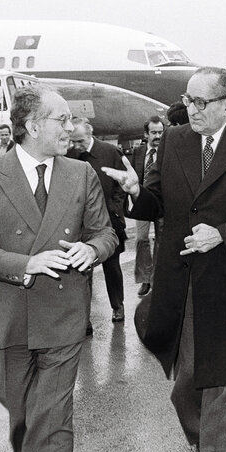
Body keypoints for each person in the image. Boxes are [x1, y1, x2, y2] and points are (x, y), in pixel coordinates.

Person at [102, 66, 226, 452]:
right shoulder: (174, 140)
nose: (191, 109)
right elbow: (156, 201)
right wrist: (134, 191)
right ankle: (206, 442)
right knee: (187, 384)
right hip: (181, 282)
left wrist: (222, 234)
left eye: (201, 102)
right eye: (188, 100)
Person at [0, 86, 117, 452]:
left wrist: (91, 249)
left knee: (54, 416)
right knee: (24, 417)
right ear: (30, 126)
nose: (72, 128)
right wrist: (26, 264)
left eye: (72, 120)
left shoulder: (81, 174)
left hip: (63, 316)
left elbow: (105, 233)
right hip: (13, 319)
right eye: (62, 120)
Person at [67, 117, 128, 327]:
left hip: (109, 222)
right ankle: (85, 318)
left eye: (80, 141)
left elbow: (122, 183)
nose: (77, 146)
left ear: (90, 134)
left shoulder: (110, 152)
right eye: (73, 141)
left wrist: (115, 208)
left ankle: (117, 306)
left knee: (112, 267)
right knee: (84, 270)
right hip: (81, 223)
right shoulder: (70, 155)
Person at [125, 116, 164, 296]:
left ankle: (157, 278)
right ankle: (144, 279)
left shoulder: (167, 151)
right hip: (142, 203)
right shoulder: (138, 152)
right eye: (154, 132)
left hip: (162, 204)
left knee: (161, 241)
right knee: (141, 240)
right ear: (146, 134)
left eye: (160, 132)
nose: (157, 136)